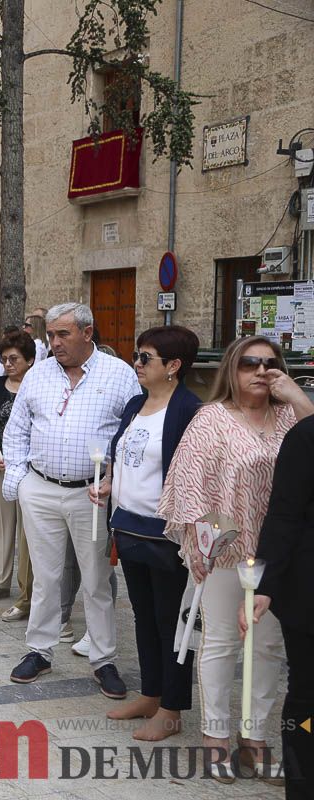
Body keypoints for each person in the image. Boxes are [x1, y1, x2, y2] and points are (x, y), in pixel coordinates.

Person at [159, 334, 314, 780]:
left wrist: (296, 395)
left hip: (281, 556)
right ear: (232, 368)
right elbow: (190, 486)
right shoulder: (211, 419)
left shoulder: (290, 417)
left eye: (270, 363)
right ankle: (214, 737)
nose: (261, 370)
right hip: (228, 552)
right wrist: (208, 546)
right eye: (249, 362)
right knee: (223, 643)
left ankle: (256, 737)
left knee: (267, 648)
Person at [2, 302, 140, 698]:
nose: (54, 343)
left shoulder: (119, 375)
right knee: (45, 577)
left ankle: (103, 658)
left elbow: (131, 434)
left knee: (96, 578)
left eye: (63, 334)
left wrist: (114, 478)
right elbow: (17, 429)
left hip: (91, 492)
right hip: (41, 487)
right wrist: (18, 478)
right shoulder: (39, 374)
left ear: (87, 332)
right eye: (50, 335)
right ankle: (40, 651)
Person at [84, 326, 201, 742]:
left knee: (172, 622)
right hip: (129, 528)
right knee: (143, 617)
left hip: (166, 535)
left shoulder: (190, 411)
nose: (136, 363)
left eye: (145, 357)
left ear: (173, 366)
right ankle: (151, 694)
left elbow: (193, 476)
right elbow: (128, 459)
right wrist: (110, 482)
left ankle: (172, 709)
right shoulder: (136, 403)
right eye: (137, 355)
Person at [254, 413, 314, 797]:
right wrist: (265, 586)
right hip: (308, 593)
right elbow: (283, 515)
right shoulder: (306, 436)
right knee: (308, 696)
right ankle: (302, 785)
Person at [0, 330, 36, 604]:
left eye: (14, 358)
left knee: (28, 531)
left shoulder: (38, 387)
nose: (8, 364)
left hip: (29, 470)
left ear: (30, 360)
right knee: (0, 528)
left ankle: (29, 589)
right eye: (4, 359)